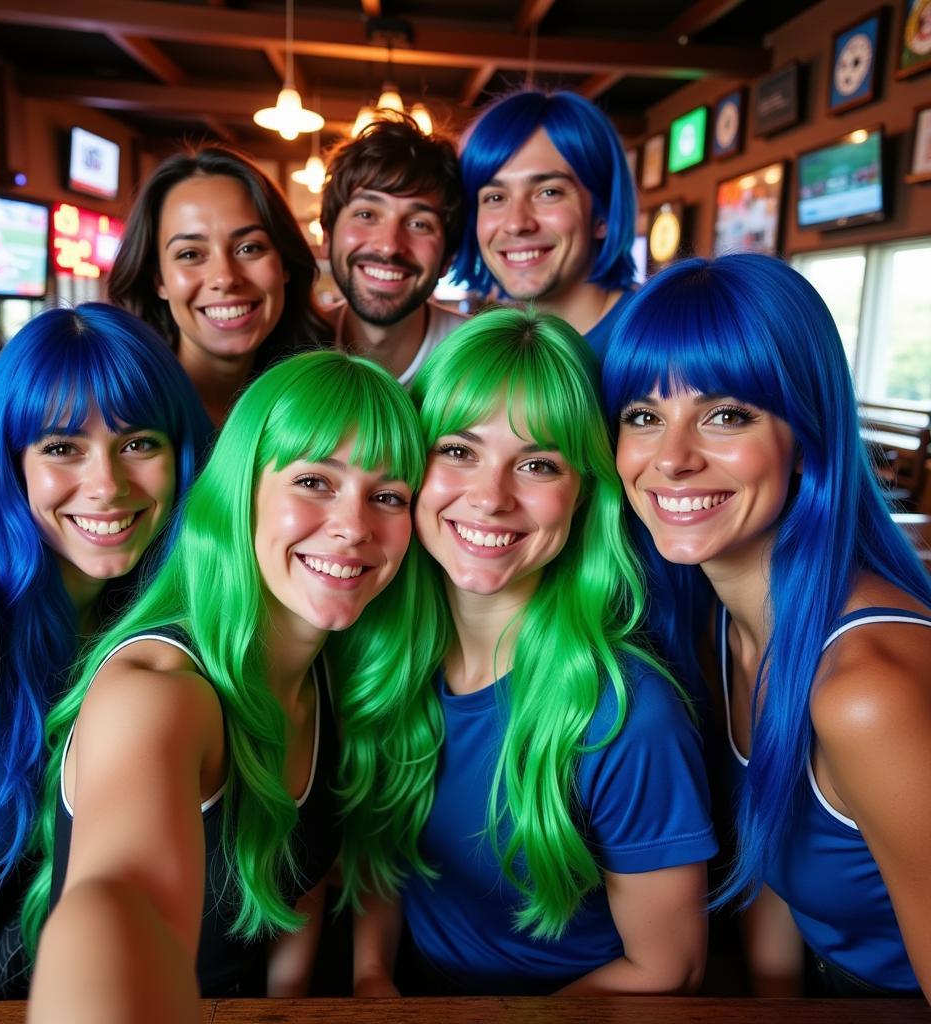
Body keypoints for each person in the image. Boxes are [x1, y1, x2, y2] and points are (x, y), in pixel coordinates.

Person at [23, 350, 426, 1021]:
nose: (355, 527)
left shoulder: (332, 671)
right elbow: (119, 900)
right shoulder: (157, 689)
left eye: (387, 496)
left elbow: (301, 880)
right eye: (315, 482)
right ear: (242, 492)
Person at [340, 307, 717, 996]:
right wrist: (371, 982)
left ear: (584, 496)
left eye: (537, 463)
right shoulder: (376, 653)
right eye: (458, 450)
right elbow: (379, 861)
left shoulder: (627, 716)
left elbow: (669, 967)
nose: (490, 497)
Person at [601, 254, 931, 1000]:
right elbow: (773, 869)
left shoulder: (867, 690)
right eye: (644, 417)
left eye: (726, 416)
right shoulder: (722, 626)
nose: (673, 459)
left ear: (806, 433)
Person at [0, 304, 211, 999]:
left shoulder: (133, 617)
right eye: (62, 447)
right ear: (13, 462)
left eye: (138, 443)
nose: (106, 484)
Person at [109, 146, 330, 425]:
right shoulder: (122, 412)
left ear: (284, 263)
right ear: (158, 280)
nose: (225, 277)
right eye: (190, 254)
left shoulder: (318, 403)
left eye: (249, 248)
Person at [453, 90, 637, 359]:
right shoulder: (482, 352)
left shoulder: (663, 340)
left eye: (549, 192)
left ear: (603, 214)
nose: (516, 223)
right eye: (495, 197)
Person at [320, 114, 467, 387]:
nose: (389, 246)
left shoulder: (477, 357)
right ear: (327, 236)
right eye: (366, 214)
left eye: (419, 224)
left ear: (448, 258)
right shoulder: (293, 348)